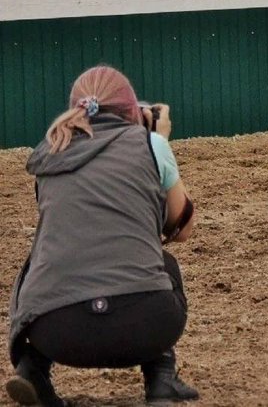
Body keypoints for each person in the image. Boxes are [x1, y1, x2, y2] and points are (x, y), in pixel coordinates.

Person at [6, 65, 199, 406]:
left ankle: (32, 368)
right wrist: (160, 142)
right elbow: (181, 229)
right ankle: (161, 378)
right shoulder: (151, 144)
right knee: (163, 264)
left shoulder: (50, 152)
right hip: (147, 325)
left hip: (57, 334)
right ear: (132, 110)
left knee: (38, 266)